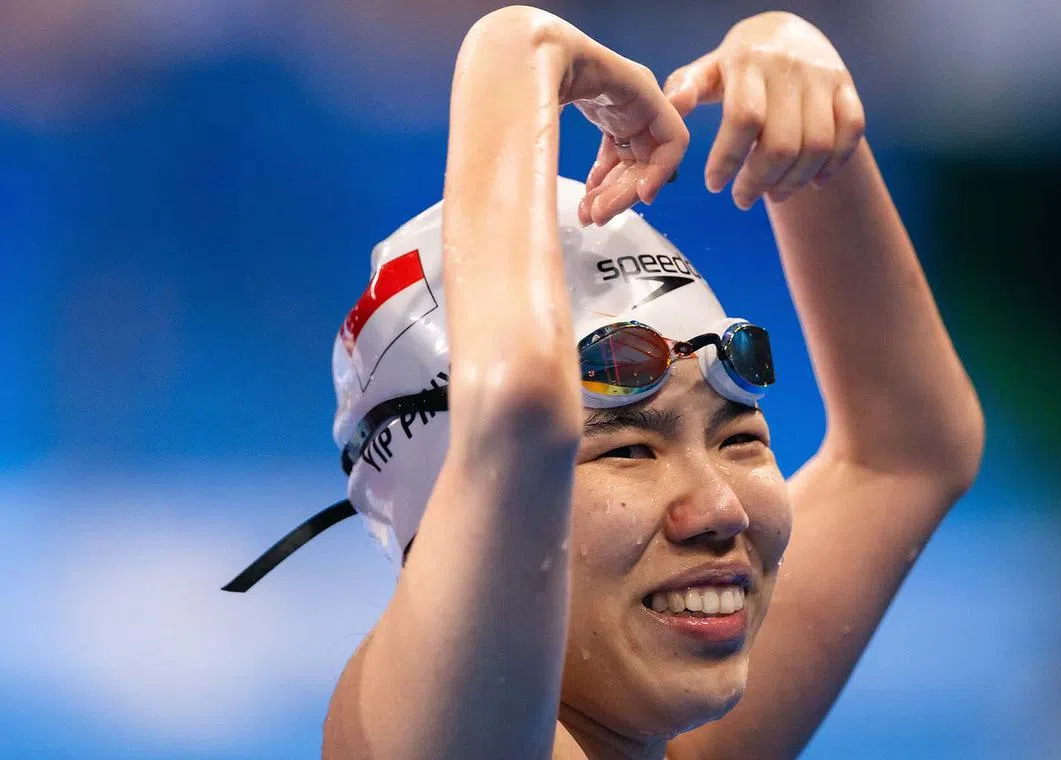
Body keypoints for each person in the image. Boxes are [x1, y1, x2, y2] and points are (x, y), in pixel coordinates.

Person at [240, 6, 985, 759]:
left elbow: (906, 453)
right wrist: (517, 46)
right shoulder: (409, 736)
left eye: (738, 439)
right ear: (443, 512)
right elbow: (519, 413)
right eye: (628, 450)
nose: (721, 508)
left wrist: (805, 138)